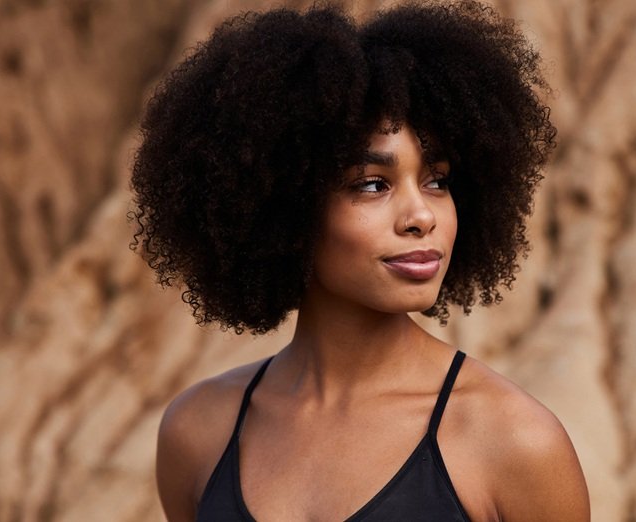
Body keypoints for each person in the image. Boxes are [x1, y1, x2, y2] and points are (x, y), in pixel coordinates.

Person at [130, 1, 589, 520]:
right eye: (373, 184)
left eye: (437, 180)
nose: (421, 215)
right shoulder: (197, 432)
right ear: (283, 206)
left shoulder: (515, 444)